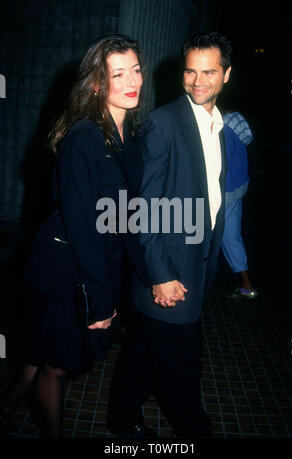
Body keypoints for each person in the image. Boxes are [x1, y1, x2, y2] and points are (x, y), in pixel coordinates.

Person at [0, 34, 145, 438]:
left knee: (41, 350)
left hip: (92, 260)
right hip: (66, 268)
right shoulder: (84, 137)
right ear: (98, 83)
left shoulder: (125, 133)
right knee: (56, 365)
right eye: (118, 73)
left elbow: (126, 212)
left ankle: (5, 407)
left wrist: (146, 272)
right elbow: (83, 226)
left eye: (135, 69)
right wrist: (100, 298)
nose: (131, 80)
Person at [107, 32, 232, 439]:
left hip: (195, 268)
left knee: (142, 353)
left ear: (227, 75)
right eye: (191, 71)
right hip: (170, 275)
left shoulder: (219, 125)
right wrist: (159, 273)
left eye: (209, 72)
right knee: (183, 377)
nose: (198, 81)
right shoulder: (164, 122)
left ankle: (121, 420)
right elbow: (143, 206)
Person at [222, 111, 258, 299]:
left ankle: (188, 285)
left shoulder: (223, 129)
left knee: (197, 236)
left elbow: (219, 166)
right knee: (231, 237)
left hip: (223, 193)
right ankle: (246, 285)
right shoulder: (238, 123)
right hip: (238, 188)